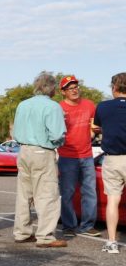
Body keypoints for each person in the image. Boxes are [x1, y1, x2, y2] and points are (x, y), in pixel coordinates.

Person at [11, 72, 67, 248]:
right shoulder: (53, 107)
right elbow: (57, 134)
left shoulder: (23, 105)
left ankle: (21, 232)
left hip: (24, 150)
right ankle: (45, 236)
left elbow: (16, 131)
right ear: (51, 88)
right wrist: (57, 142)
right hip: (43, 151)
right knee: (47, 195)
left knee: (24, 194)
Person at [56, 75, 100, 238]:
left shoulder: (89, 105)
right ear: (63, 92)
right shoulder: (59, 108)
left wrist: (94, 132)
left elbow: (95, 124)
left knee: (90, 192)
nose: (74, 90)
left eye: (76, 87)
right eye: (70, 88)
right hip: (67, 156)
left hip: (87, 155)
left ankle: (88, 225)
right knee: (67, 193)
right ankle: (68, 226)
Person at [96, 72, 126, 254]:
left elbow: (99, 126)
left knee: (113, 200)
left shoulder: (103, 107)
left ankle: (112, 242)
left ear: (114, 87)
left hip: (112, 158)